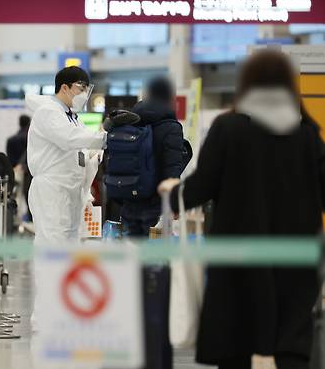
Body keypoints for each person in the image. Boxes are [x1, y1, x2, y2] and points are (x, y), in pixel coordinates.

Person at [158, 49, 324, 369]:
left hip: (237, 257)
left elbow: (201, 186)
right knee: (292, 342)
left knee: (235, 339)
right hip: (296, 257)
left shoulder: (228, 128)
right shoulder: (306, 134)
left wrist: (172, 191)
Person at [26, 66, 105, 245]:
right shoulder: (48, 112)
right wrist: (103, 140)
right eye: (81, 88)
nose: (85, 94)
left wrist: (98, 152)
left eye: (87, 89)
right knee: (52, 243)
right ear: (65, 88)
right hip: (52, 189)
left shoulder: (72, 117)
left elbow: (82, 148)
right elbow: (68, 138)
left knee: (69, 245)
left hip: (70, 190)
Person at [120, 76, 187, 236]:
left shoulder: (129, 121)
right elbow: (172, 167)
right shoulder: (171, 127)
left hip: (129, 195)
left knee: (132, 247)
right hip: (156, 202)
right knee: (156, 252)